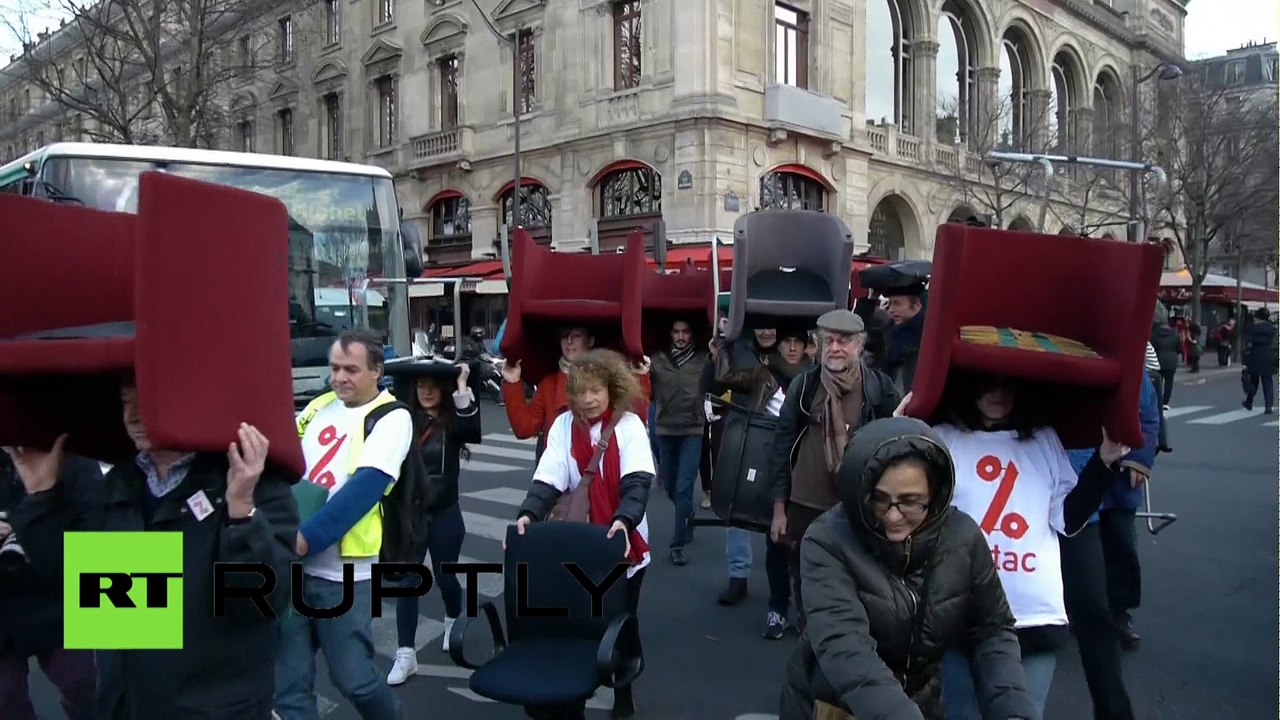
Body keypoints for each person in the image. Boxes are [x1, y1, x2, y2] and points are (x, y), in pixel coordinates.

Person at [4, 376, 298, 719]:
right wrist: (41, 496)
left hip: (214, 708)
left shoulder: (250, 481)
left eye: (145, 400)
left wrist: (242, 514)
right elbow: (80, 585)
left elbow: (262, 604)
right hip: (129, 705)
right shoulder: (122, 483)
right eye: (125, 402)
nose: (132, 415)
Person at [778, 416, 1036, 720]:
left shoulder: (963, 538)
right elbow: (844, 644)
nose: (893, 516)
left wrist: (1012, 708)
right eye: (879, 500)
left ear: (935, 495)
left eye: (911, 502)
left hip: (921, 703)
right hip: (832, 706)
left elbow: (992, 629)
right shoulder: (827, 540)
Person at [925, 373, 1128, 719]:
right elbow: (912, 512)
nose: (998, 393)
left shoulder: (1044, 440)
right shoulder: (943, 439)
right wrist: (899, 431)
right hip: (961, 612)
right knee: (962, 712)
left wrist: (1104, 462)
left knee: (1025, 713)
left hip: (1033, 616)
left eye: (1008, 385)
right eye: (987, 383)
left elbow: (1067, 518)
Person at [511, 349, 654, 719]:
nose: (587, 399)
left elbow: (637, 483)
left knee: (621, 619)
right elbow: (549, 477)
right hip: (579, 540)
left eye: (595, 391)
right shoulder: (562, 425)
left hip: (622, 542)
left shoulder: (630, 426)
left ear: (611, 390)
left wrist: (624, 521)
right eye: (580, 391)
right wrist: (529, 513)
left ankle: (623, 686)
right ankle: (574, 694)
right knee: (580, 620)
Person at [276, 330, 409, 720]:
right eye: (334, 368)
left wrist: (304, 539)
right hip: (294, 568)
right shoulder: (318, 405)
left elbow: (364, 490)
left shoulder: (392, 416)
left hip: (343, 574)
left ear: (376, 371)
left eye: (351, 369)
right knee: (288, 688)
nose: (339, 378)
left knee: (354, 680)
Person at [768, 310, 901, 635]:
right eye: (829, 340)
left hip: (856, 506)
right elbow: (781, 446)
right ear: (819, 344)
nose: (836, 348)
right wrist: (779, 509)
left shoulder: (878, 388)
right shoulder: (805, 385)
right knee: (806, 583)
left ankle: (841, 645)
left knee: (854, 586)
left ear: (860, 345)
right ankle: (811, 644)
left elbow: (895, 445)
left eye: (844, 341)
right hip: (804, 504)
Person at [709, 325, 813, 638]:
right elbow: (725, 378)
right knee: (776, 539)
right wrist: (723, 347)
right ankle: (777, 608)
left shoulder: (818, 378)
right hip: (770, 457)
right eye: (787, 342)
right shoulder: (762, 373)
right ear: (778, 346)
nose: (792, 348)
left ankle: (807, 611)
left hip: (808, 465)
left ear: (807, 346)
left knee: (809, 544)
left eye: (798, 342)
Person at [386, 361, 481, 685]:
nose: (426, 391)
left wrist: (463, 385)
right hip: (411, 516)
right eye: (420, 385)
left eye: (432, 385)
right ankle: (405, 653)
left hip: (445, 513)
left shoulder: (451, 422)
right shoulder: (402, 420)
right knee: (408, 584)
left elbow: (471, 429)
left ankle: (452, 618)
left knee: (446, 577)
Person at [0, 451, 101, 720]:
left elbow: (100, 532)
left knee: (92, 684)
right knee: (5, 702)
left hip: (60, 592)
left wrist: (39, 509)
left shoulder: (75, 456)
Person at [707, 326, 781, 608]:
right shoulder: (737, 351)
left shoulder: (794, 356)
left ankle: (782, 586)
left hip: (782, 439)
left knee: (779, 509)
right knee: (736, 504)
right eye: (760, 325)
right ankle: (738, 576)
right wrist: (718, 355)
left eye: (771, 326)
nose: (766, 331)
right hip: (745, 436)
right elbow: (714, 385)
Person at [501, 325, 652, 460]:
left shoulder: (609, 377)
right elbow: (525, 429)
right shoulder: (549, 383)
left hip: (602, 464)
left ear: (590, 341)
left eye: (576, 336)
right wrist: (513, 382)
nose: (569, 341)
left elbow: (636, 419)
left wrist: (640, 376)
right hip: (557, 467)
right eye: (564, 336)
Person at [648, 319, 709, 566]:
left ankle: (677, 544)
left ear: (692, 334)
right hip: (665, 429)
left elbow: (721, 379)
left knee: (684, 486)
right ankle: (687, 513)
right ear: (670, 334)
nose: (681, 337)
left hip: (693, 429)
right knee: (672, 486)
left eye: (685, 332)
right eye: (676, 332)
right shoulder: (657, 360)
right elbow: (645, 390)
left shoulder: (704, 359)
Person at [1242, 307, 1276, 413]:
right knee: (1268, 382)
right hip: (1268, 356)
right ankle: (1269, 405)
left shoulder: (1253, 329)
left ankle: (1249, 401)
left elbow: (1247, 345)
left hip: (1255, 356)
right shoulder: (1272, 329)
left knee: (1253, 381)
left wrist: (1245, 361)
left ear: (1258, 317)